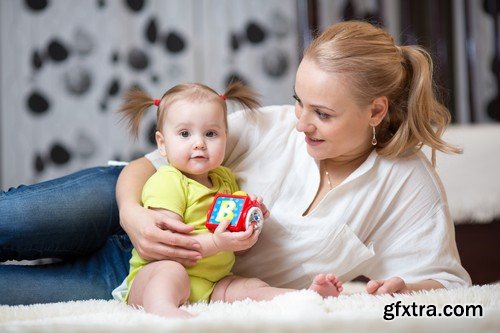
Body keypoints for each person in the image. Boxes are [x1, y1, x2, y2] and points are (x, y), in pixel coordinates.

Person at [0, 20, 470, 306]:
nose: (300, 123)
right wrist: (132, 214)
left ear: (376, 110)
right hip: (116, 205)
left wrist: (408, 294)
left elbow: (453, 290)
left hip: (161, 280)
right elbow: (144, 167)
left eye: (322, 114)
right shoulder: (274, 126)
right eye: (298, 102)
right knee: (13, 219)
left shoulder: (405, 187)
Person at [113, 82, 343, 318]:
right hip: (156, 275)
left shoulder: (224, 179)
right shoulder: (167, 181)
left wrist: (248, 226)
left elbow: (233, 246)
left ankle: (301, 297)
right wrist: (218, 243)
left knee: (250, 286)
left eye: (210, 134)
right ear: (162, 143)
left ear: (225, 136)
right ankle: (163, 310)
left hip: (213, 283)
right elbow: (170, 248)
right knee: (171, 273)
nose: (199, 143)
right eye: (185, 134)